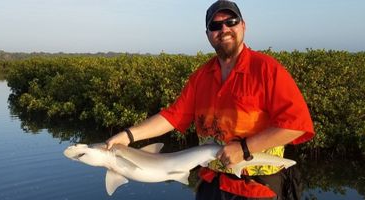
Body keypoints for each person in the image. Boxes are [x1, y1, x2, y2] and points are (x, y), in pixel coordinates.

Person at [106, 0, 315, 199]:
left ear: (243, 25)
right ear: (208, 34)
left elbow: (296, 125)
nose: (224, 29)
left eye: (231, 22)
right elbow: (173, 116)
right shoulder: (201, 76)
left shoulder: (267, 70)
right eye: (215, 25)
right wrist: (127, 136)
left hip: (257, 186)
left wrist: (244, 149)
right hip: (212, 183)